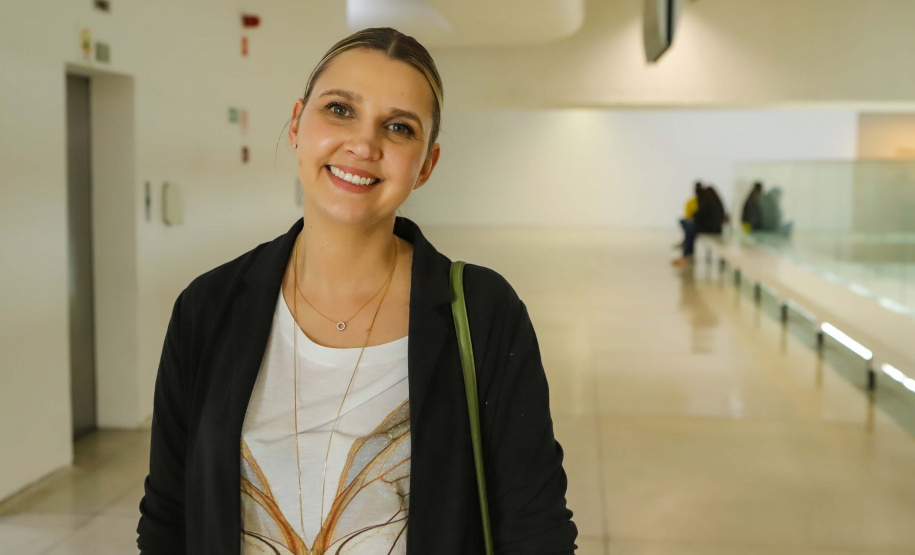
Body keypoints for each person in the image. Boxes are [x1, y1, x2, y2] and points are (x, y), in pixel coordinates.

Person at [135, 27, 578, 555]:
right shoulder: (208, 308)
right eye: (340, 109)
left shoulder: (482, 312)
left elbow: (536, 530)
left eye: (398, 127)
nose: (364, 145)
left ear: (426, 165)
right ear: (297, 123)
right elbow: (168, 520)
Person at [672, 187, 725, 267]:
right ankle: (686, 252)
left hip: (709, 229)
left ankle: (686, 254)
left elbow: (700, 215)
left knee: (689, 230)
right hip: (715, 229)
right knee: (689, 228)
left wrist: (694, 217)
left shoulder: (707, 202)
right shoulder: (717, 202)